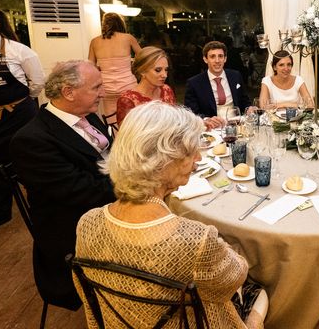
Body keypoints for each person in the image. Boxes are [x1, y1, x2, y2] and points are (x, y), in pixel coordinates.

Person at [75, 101, 266, 328]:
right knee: (259, 291)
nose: (197, 158)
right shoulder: (196, 240)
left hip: (121, 322)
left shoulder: (87, 223)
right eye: (190, 152)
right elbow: (235, 276)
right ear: (162, 162)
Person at [10, 60, 115, 309]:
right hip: (76, 232)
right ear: (68, 92)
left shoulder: (86, 115)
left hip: (101, 204)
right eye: (96, 87)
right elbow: (85, 192)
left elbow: (107, 158)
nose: (102, 93)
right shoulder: (32, 140)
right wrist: (142, 180)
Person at [0, 5, 45, 238]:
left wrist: (18, 105)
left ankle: (39, 208)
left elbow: (36, 84)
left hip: (18, 117)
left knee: (28, 162)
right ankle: (0, 212)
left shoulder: (19, 51)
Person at [88, 12, 141, 123]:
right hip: (127, 83)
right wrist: (133, 64)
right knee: (132, 118)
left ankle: (115, 139)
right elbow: (143, 57)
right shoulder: (128, 38)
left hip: (106, 86)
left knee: (111, 119)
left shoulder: (94, 41)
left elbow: (90, 66)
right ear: (120, 23)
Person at [184, 41, 251, 123]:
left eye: (220, 56)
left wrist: (249, 108)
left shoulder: (235, 76)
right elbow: (191, 112)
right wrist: (206, 120)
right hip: (212, 128)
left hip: (237, 124)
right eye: (212, 57)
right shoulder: (194, 83)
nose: (217, 60)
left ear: (225, 58)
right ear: (205, 59)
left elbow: (245, 100)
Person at [115, 46, 175, 127]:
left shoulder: (166, 90)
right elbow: (127, 136)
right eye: (158, 70)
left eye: (166, 70)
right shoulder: (128, 100)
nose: (164, 75)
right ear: (142, 71)